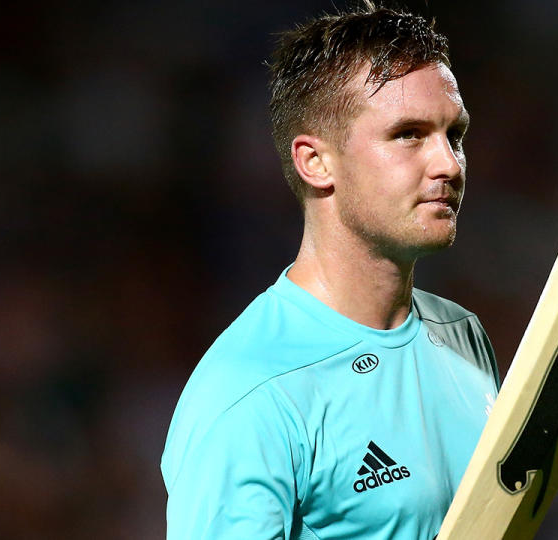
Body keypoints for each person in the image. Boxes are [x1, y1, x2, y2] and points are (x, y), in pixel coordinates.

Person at [161, 3, 500, 539]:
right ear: (315, 162)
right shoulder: (251, 392)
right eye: (409, 134)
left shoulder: (462, 335)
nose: (449, 164)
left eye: (453, 134)